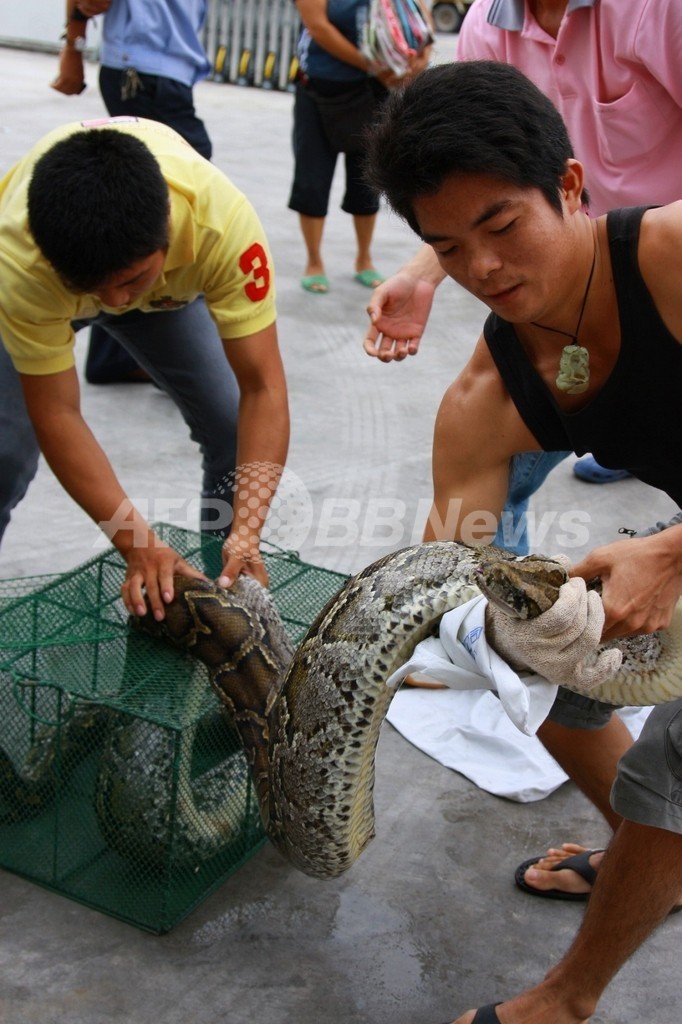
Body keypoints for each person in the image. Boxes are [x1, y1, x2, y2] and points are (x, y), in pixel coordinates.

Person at [364, 60, 682, 1024]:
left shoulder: (670, 259)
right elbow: (453, 564)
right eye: (449, 249)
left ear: (572, 187)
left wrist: (668, 553)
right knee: (542, 674)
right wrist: (481, 626)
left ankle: (565, 998)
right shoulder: (488, 396)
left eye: (503, 226)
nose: (486, 270)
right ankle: (648, 861)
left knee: (673, 768)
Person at [0, 117, 289, 620]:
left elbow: (263, 387)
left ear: (169, 232)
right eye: (93, 288)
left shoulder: (221, 228)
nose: (112, 301)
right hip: (49, 290)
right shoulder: (20, 261)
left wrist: (247, 527)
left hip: (165, 298)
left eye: (130, 281)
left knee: (228, 424)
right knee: (4, 454)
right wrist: (137, 543)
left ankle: (216, 594)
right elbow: (58, 413)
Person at [52, 0, 213, 385]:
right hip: (141, 71)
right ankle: (171, 354)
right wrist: (72, 50)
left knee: (150, 204)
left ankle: (115, 355)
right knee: (183, 195)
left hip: (164, 72)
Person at [287, 0, 430, 294]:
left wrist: (420, 57)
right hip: (320, 90)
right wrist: (373, 65)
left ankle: (364, 259)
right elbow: (318, 27)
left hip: (373, 92)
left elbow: (420, 18)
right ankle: (314, 261)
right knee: (312, 179)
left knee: (366, 180)